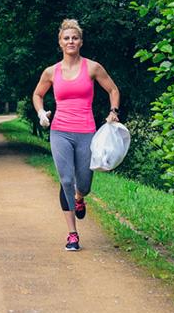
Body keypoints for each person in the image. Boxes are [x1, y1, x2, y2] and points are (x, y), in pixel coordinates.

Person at [32, 19, 120, 251]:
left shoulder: (92, 68)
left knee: (84, 183)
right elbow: (37, 94)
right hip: (60, 131)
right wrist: (41, 112)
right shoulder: (51, 72)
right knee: (66, 180)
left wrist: (113, 112)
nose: (71, 41)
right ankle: (72, 234)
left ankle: (80, 199)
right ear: (60, 42)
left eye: (75, 38)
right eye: (66, 38)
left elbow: (112, 90)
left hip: (86, 132)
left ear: (80, 42)